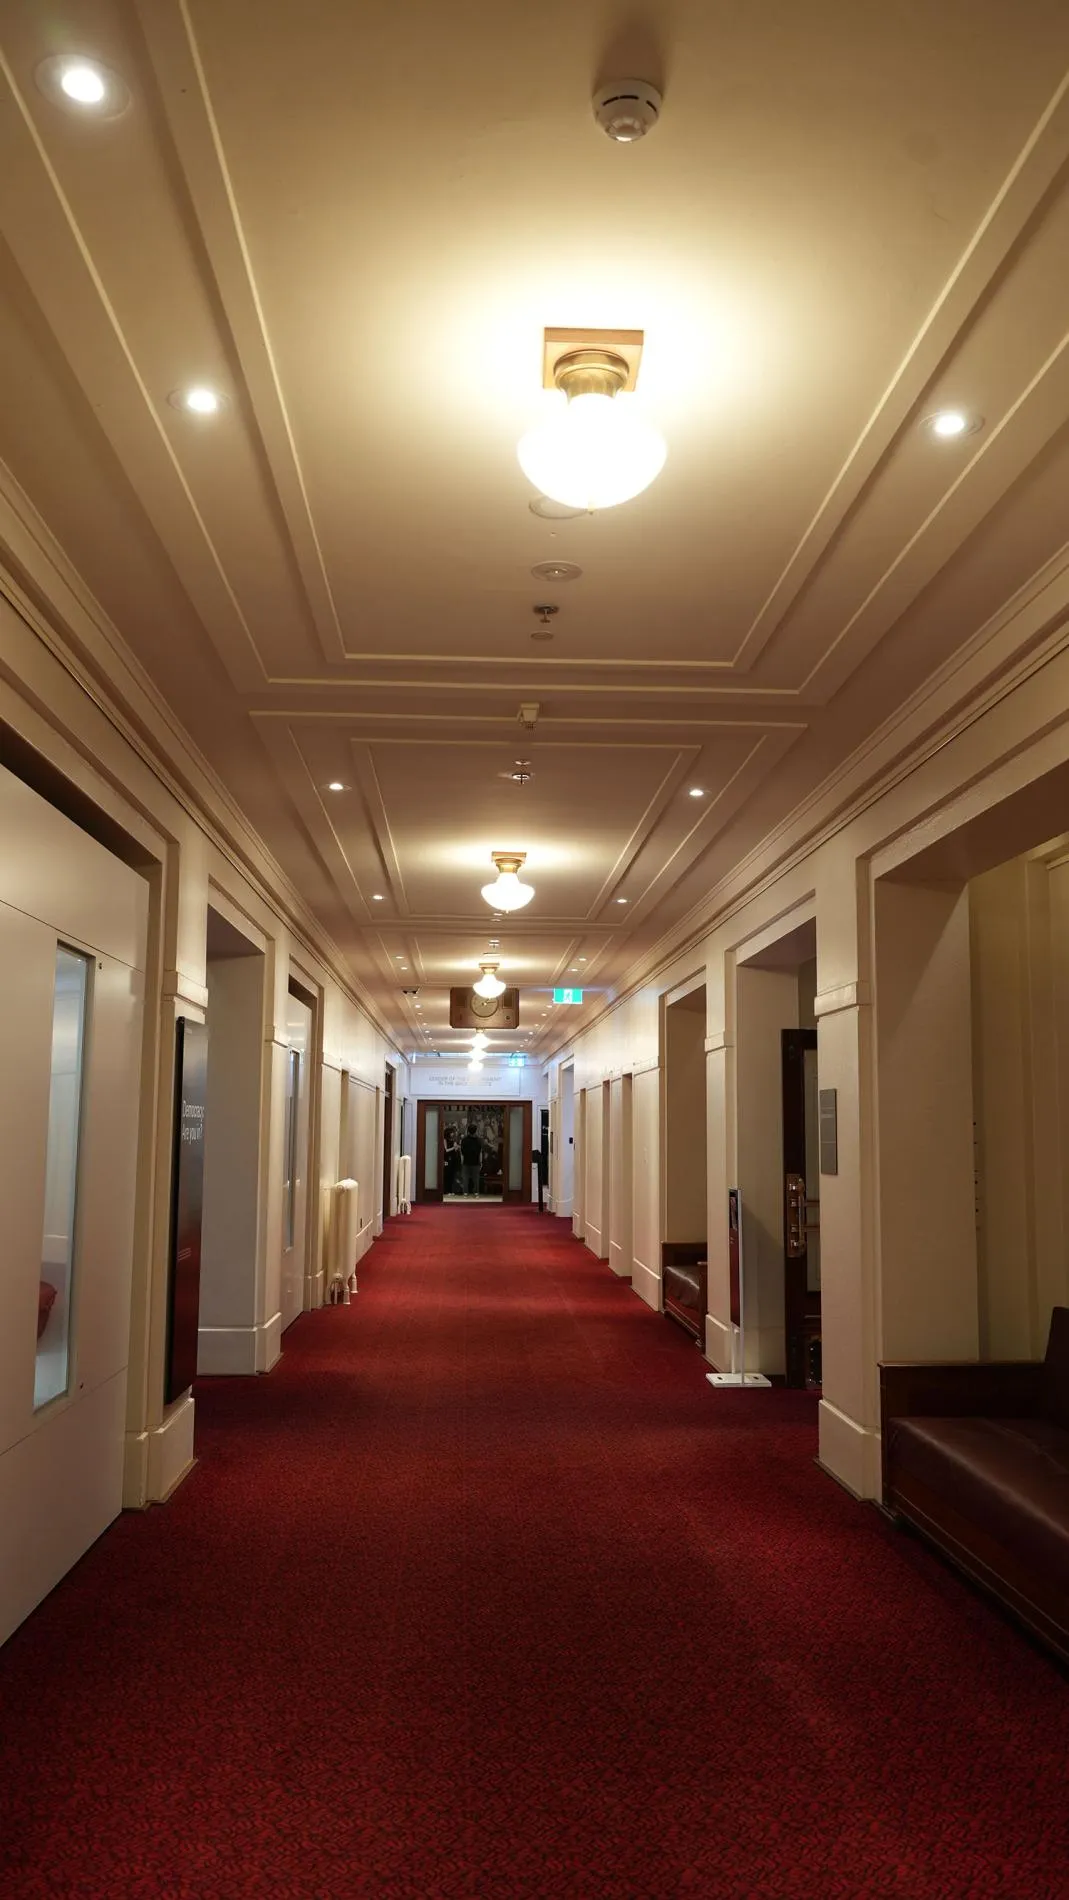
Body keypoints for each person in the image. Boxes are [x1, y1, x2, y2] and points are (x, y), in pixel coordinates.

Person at [460, 1121, 483, 1197]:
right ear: (476, 1131)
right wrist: (481, 1162)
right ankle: (476, 1193)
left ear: (468, 1130)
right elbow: (480, 1152)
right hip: (476, 1162)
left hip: (466, 1161)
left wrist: (462, 1161)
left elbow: (462, 1152)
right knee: (476, 1179)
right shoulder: (479, 1140)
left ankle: (465, 1193)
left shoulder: (464, 1140)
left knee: (465, 1179)